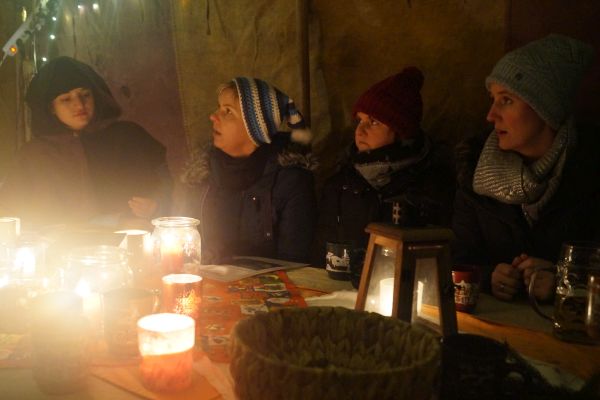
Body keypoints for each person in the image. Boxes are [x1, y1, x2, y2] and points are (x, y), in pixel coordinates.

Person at [452, 34, 599, 302]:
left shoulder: (589, 173)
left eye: (506, 100)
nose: (491, 115)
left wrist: (563, 282)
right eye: (492, 98)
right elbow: (457, 259)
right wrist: (488, 277)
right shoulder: (474, 171)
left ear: (546, 108)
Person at [313, 67, 455, 281]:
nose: (360, 131)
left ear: (401, 131)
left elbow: (443, 259)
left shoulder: (431, 186)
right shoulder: (340, 184)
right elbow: (319, 254)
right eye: (359, 120)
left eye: (373, 122)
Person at [0, 56, 170, 228]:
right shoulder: (34, 155)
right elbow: (12, 213)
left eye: (85, 95)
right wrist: (115, 222)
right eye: (66, 99)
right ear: (51, 108)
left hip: (138, 240)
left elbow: (169, 187)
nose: (79, 105)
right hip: (62, 245)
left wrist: (156, 206)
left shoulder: (129, 137)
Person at [177, 77, 317, 264]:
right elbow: (181, 243)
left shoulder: (290, 182)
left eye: (228, 111)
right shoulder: (200, 176)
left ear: (255, 129)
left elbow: (294, 262)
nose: (213, 116)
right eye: (218, 107)